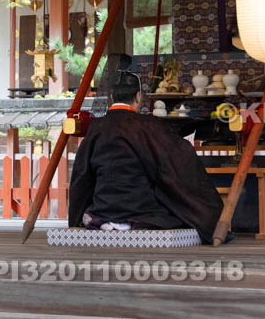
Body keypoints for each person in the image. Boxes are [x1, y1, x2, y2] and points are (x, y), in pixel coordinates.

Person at [68, 69, 224, 243]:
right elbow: (178, 158)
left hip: (103, 208)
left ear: (112, 96)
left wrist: (76, 215)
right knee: (177, 212)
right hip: (140, 209)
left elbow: (82, 175)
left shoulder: (96, 128)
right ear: (137, 97)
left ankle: (110, 221)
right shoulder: (148, 126)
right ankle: (126, 221)